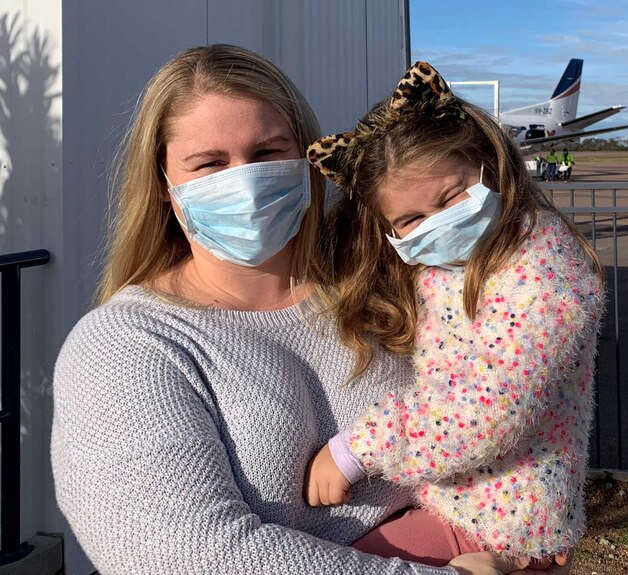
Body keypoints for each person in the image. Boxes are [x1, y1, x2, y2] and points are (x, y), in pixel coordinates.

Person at [50, 44, 540, 575]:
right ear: (165, 188)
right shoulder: (126, 345)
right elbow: (180, 552)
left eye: (267, 153)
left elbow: (508, 389)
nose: (246, 180)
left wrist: (531, 525)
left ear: (308, 160)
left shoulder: (382, 285)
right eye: (210, 164)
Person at [305, 61, 604, 566]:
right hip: (463, 507)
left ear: (490, 164)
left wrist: (356, 450)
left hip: (498, 525)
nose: (439, 223)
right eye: (412, 219)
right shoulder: (448, 262)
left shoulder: (542, 268)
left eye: (451, 196)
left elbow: (492, 406)